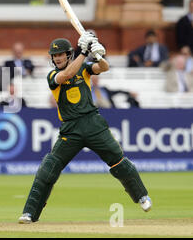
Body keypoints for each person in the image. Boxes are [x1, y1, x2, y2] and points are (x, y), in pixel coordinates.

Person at [18, 34, 151, 224]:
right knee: (48, 169)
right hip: (70, 130)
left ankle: (142, 197)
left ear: (68, 55)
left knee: (117, 159)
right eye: (54, 55)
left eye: (61, 55)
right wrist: (84, 52)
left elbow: (103, 68)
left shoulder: (84, 67)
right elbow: (66, 75)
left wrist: (98, 55)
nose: (57, 58)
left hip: (93, 123)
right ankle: (30, 213)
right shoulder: (52, 76)